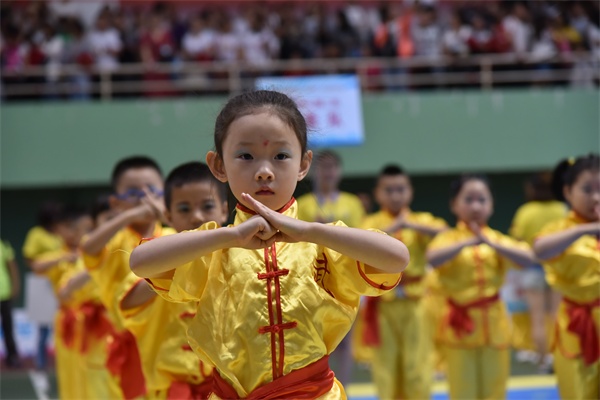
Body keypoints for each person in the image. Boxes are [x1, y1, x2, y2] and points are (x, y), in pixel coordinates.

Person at [130, 90, 409, 399]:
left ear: (303, 164)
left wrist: (310, 231)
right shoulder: (212, 248)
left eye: (281, 156)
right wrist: (230, 236)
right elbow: (140, 261)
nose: (264, 171)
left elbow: (397, 258)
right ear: (218, 166)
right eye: (246, 156)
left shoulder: (320, 241)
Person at [119, 162, 228, 398]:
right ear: (167, 215)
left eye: (207, 206)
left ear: (224, 210)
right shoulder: (157, 253)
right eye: (184, 209)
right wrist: (176, 268)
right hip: (172, 390)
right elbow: (128, 301)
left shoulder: (238, 252)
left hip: (230, 388)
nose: (196, 216)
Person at [426, 174, 536, 400]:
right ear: (454, 205)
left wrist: (490, 242)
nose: (475, 206)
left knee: (495, 390)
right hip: (459, 326)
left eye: (482, 200)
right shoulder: (448, 239)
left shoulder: (496, 239)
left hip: (495, 324)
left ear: (492, 206)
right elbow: (433, 258)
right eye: (468, 199)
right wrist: (467, 241)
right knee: (462, 390)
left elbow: (528, 258)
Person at [80, 155, 166, 399]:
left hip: (167, 349)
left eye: (151, 189)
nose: (143, 197)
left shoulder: (173, 235)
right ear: (116, 203)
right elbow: (88, 249)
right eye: (132, 192)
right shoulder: (112, 241)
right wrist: (128, 216)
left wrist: (167, 216)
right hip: (127, 350)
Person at [362, 164, 447, 400]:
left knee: (418, 365)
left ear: (409, 192)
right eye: (389, 190)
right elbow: (358, 246)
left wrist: (410, 225)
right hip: (383, 304)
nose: (395, 195)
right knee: (385, 367)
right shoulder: (369, 222)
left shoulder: (421, 221)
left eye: (401, 189)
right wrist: (393, 228)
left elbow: (446, 233)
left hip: (416, 303)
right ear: (378, 193)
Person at [296, 149, 366, 384]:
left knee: (345, 340)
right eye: (322, 167)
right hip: (313, 277)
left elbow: (361, 237)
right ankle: (317, 389)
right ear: (312, 170)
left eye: (332, 167)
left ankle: (344, 388)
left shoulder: (353, 203)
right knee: (316, 338)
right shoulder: (301, 204)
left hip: (345, 277)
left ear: (339, 171)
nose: (327, 172)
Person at [534, 154, 600, 400]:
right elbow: (539, 250)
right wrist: (586, 229)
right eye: (587, 189)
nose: (596, 197)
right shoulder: (561, 229)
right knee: (577, 391)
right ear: (568, 191)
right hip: (576, 324)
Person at [31, 205, 94, 399]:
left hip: (97, 321)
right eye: (83, 229)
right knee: (71, 374)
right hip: (70, 319)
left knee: (95, 374)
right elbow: (37, 265)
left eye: (90, 229)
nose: (87, 234)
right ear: (68, 231)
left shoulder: (95, 253)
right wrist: (66, 257)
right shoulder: (61, 255)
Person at [509, 171, 567, 372]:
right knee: (557, 317)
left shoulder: (526, 211)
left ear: (532, 189)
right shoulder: (561, 209)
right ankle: (558, 358)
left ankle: (543, 361)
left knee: (537, 318)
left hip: (533, 270)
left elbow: (516, 241)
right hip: (557, 269)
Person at [22, 201, 63, 371]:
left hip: (62, 281)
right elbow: (30, 259)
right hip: (42, 283)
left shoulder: (61, 233)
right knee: (44, 327)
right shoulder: (37, 234)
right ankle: (41, 362)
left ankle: (62, 361)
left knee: (62, 323)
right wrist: (54, 261)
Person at [0, 239, 21, 368]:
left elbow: (12, 267)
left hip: (4, 293)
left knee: (8, 328)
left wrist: (16, 286)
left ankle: (12, 356)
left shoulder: (3, 245)